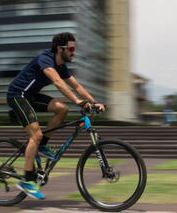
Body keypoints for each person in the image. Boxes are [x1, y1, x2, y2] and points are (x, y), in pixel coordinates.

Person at [7, 32, 105, 199]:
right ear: (60, 49)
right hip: (17, 95)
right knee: (35, 135)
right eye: (72, 49)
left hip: (31, 96)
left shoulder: (61, 66)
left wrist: (94, 101)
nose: (74, 52)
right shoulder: (45, 58)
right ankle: (27, 180)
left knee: (62, 109)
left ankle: (43, 146)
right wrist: (78, 101)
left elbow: (77, 86)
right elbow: (58, 83)